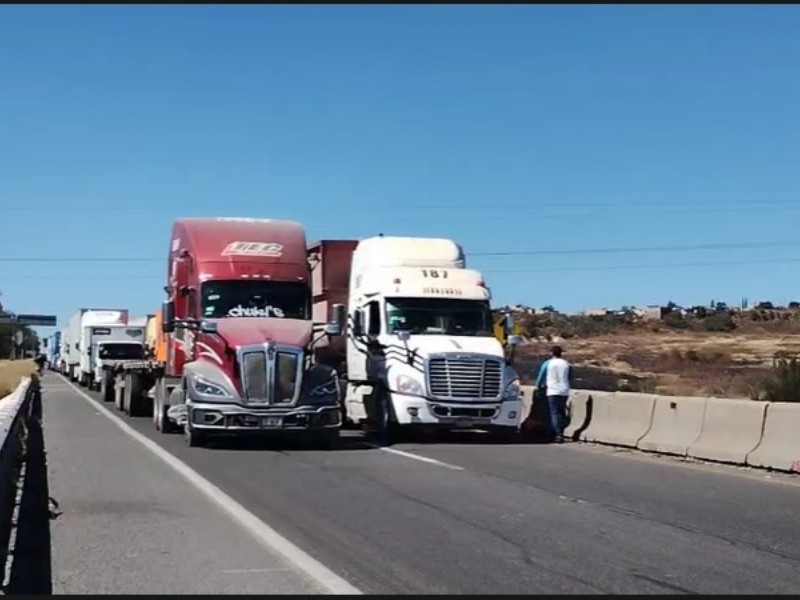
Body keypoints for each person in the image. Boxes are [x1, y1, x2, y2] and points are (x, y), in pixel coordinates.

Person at [536, 345, 572, 442]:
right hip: (564, 390)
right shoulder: (566, 363)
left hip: (552, 390)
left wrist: (538, 387)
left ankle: (558, 434)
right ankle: (562, 430)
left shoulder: (548, 363)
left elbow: (541, 376)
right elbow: (570, 376)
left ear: (552, 353)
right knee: (562, 411)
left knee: (554, 413)